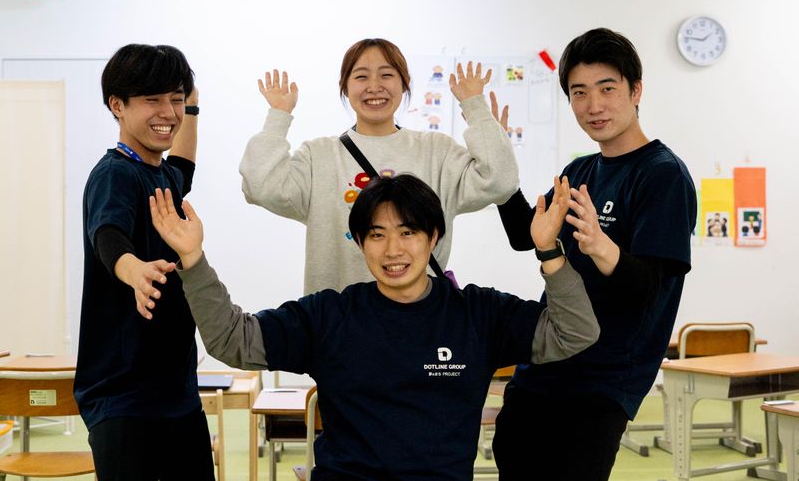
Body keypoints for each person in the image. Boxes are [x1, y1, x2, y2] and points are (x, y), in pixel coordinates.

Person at [149, 173, 599, 481]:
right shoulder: (331, 316)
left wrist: (549, 252)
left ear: (433, 238)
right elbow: (233, 339)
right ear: (360, 243)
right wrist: (193, 260)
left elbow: (575, 333)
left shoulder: (478, 314)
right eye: (377, 235)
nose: (393, 250)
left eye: (408, 232)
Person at [492, 28, 697, 481]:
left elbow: (649, 290)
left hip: (602, 382)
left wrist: (603, 248)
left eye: (607, 89)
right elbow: (526, 236)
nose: (593, 105)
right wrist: (499, 164)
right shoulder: (581, 169)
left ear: (635, 91)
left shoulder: (662, 175)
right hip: (544, 365)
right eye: (579, 92)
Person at [239, 37, 519, 294]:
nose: (374, 86)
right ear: (345, 87)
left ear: (404, 83)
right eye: (361, 76)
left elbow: (500, 181)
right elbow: (261, 187)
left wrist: (475, 107)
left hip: (419, 319)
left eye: (387, 75)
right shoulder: (319, 155)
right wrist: (278, 116)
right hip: (336, 321)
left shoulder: (437, 151)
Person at [73, 44, 214, 480]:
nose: (167, 112)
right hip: (125, 398)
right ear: (118, 105)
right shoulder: (115, 173)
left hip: (177, 392)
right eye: (153, 99)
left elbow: (184, 166)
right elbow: (107, 234)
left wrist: (192, 105)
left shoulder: (162, 173)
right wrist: (134, 269)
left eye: (175, 99)